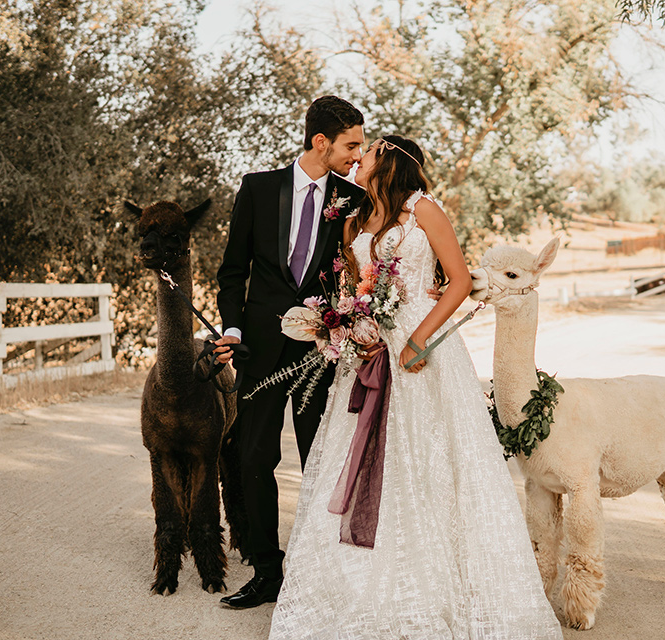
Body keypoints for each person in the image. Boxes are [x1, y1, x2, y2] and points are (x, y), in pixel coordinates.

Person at [268, 135, 562, 638]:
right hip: (369, 347)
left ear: (392, 161)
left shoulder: (424, 209)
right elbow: (354, 285)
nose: (358, 158)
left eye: (369, 151)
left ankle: (441, 586)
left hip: (420, 349)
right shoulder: (357, 219)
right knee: (358, 459)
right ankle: (354, 586)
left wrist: (420, 340)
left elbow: (458, 280)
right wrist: (348, 326)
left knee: (429, 460)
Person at [213, 96, 366, 609]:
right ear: (320, 142)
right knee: (255, 455)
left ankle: (316, 567)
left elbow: (356, 273)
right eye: (351, 145)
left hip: (319, 352)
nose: (357, 155)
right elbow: (233, 271)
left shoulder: (351, 198)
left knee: (318, 458)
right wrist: (232, 329)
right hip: (256, 347)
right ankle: (265, 569)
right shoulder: (258, 188)